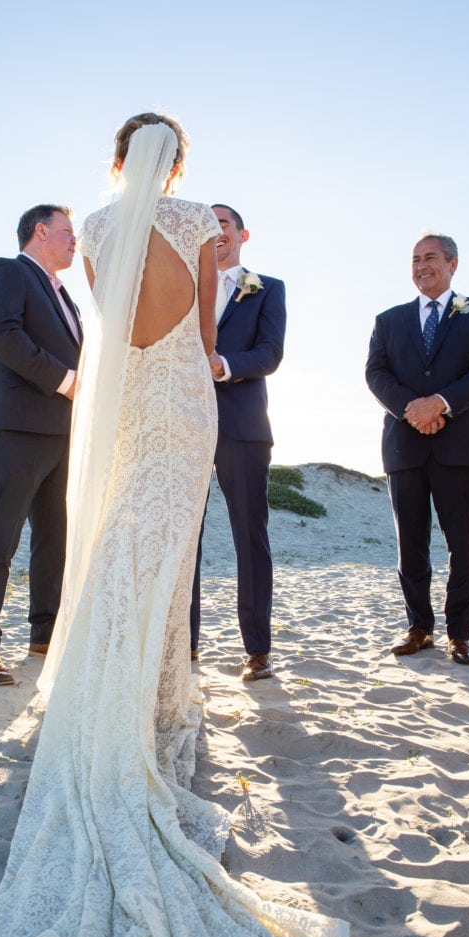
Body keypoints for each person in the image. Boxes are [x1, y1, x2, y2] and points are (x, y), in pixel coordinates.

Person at [0, 114, 347, 937]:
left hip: (132, 403)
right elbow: (203, 324)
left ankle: (114, 692)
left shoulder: (97, 230)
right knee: (166, 552)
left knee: (118, 550)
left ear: (116, 159)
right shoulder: (196, 228)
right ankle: (152, 698)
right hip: (185, 398)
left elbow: (112, 332)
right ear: (179, 164)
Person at [366, 232, 469, 665]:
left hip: (460, 444)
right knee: (411, 545)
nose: (421, 265)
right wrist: (412, 409)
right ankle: (419, 628)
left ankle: (460, 635)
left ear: (452, 263)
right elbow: (376, 372)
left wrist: (440, 404)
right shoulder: (389, 320)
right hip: (404, 445)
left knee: (464, 545)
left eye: (429, 257)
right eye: (414, 259)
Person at [0, 204, 82, 685]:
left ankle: (45, 635)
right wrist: (65, 381)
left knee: (54, 540)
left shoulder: (65, 295)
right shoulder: (7, 271)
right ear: (40, 231)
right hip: (15, 426)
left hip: (62, 432)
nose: (75, 241)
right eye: (68, 232)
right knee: (1, 537)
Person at [191, 204, 286, 681]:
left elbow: (270, 353)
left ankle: (257, 650)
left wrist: (222, 365)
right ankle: (184, 648)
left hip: (243, 425)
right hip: (183, 424)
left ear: (242, 234)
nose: (215, 232)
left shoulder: (268, 289)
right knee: (185, 538)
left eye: (222, 223)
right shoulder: (182, 285)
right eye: (206, 225)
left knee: (250, 537)